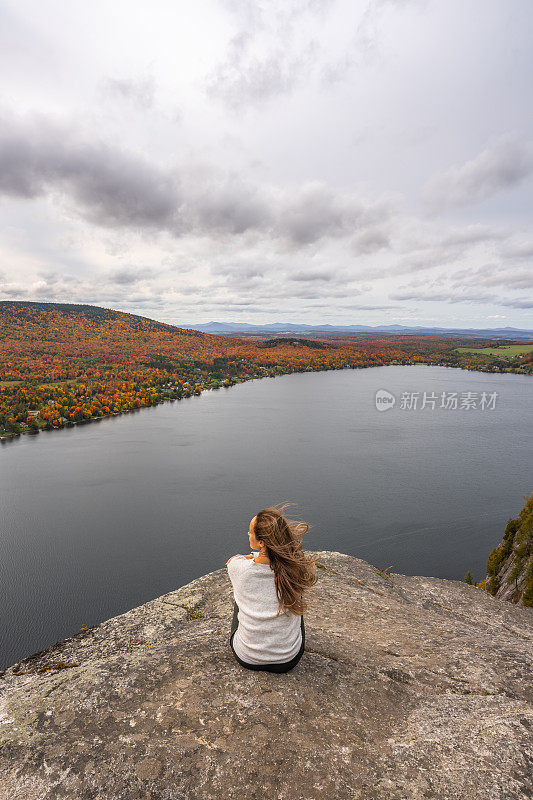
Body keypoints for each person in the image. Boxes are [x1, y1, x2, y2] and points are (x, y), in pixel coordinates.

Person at [226, 503, 318, 673]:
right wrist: (256, 554)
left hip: (247, 657)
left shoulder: (238, 569)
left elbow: (233, 561)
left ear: (261, 542)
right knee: (294, 594)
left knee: (240, 597)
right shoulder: (296, 569)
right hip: (288, 659)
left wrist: (250, 556)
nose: (248, 534)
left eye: (250, 532)